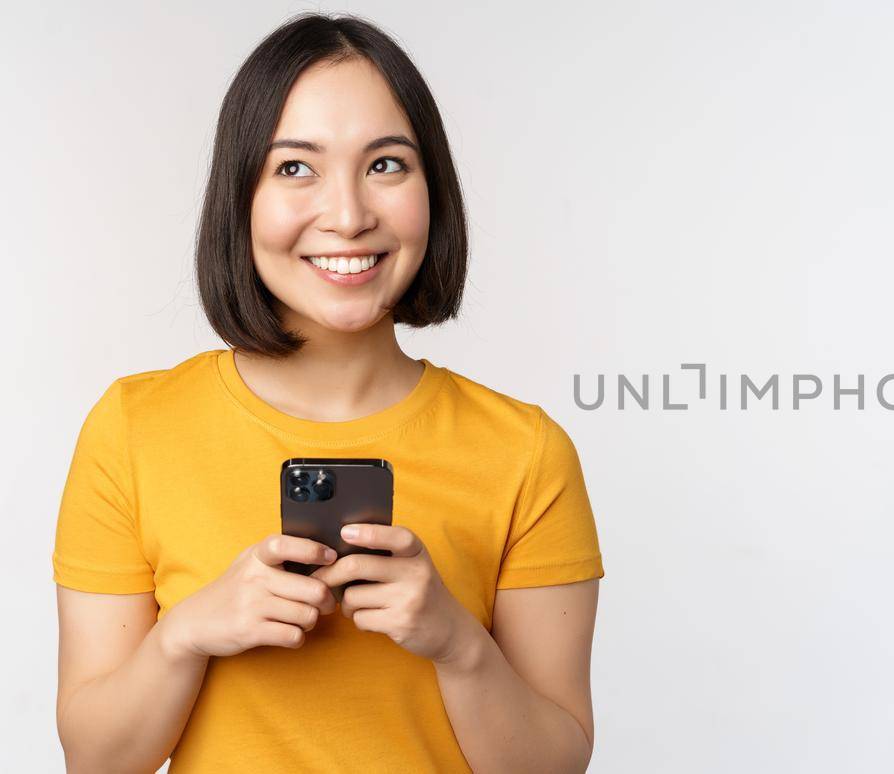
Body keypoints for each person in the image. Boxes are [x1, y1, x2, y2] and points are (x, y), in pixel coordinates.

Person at [51, 13, 603, 773]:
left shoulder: (526, 453)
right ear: (238, 197)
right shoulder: (132, 430)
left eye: (386, 165)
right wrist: (185, 634)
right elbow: (96, 760)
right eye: (295, 168)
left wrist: (457, 644)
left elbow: (557, 765)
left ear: (432, 188)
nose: (347, 216)